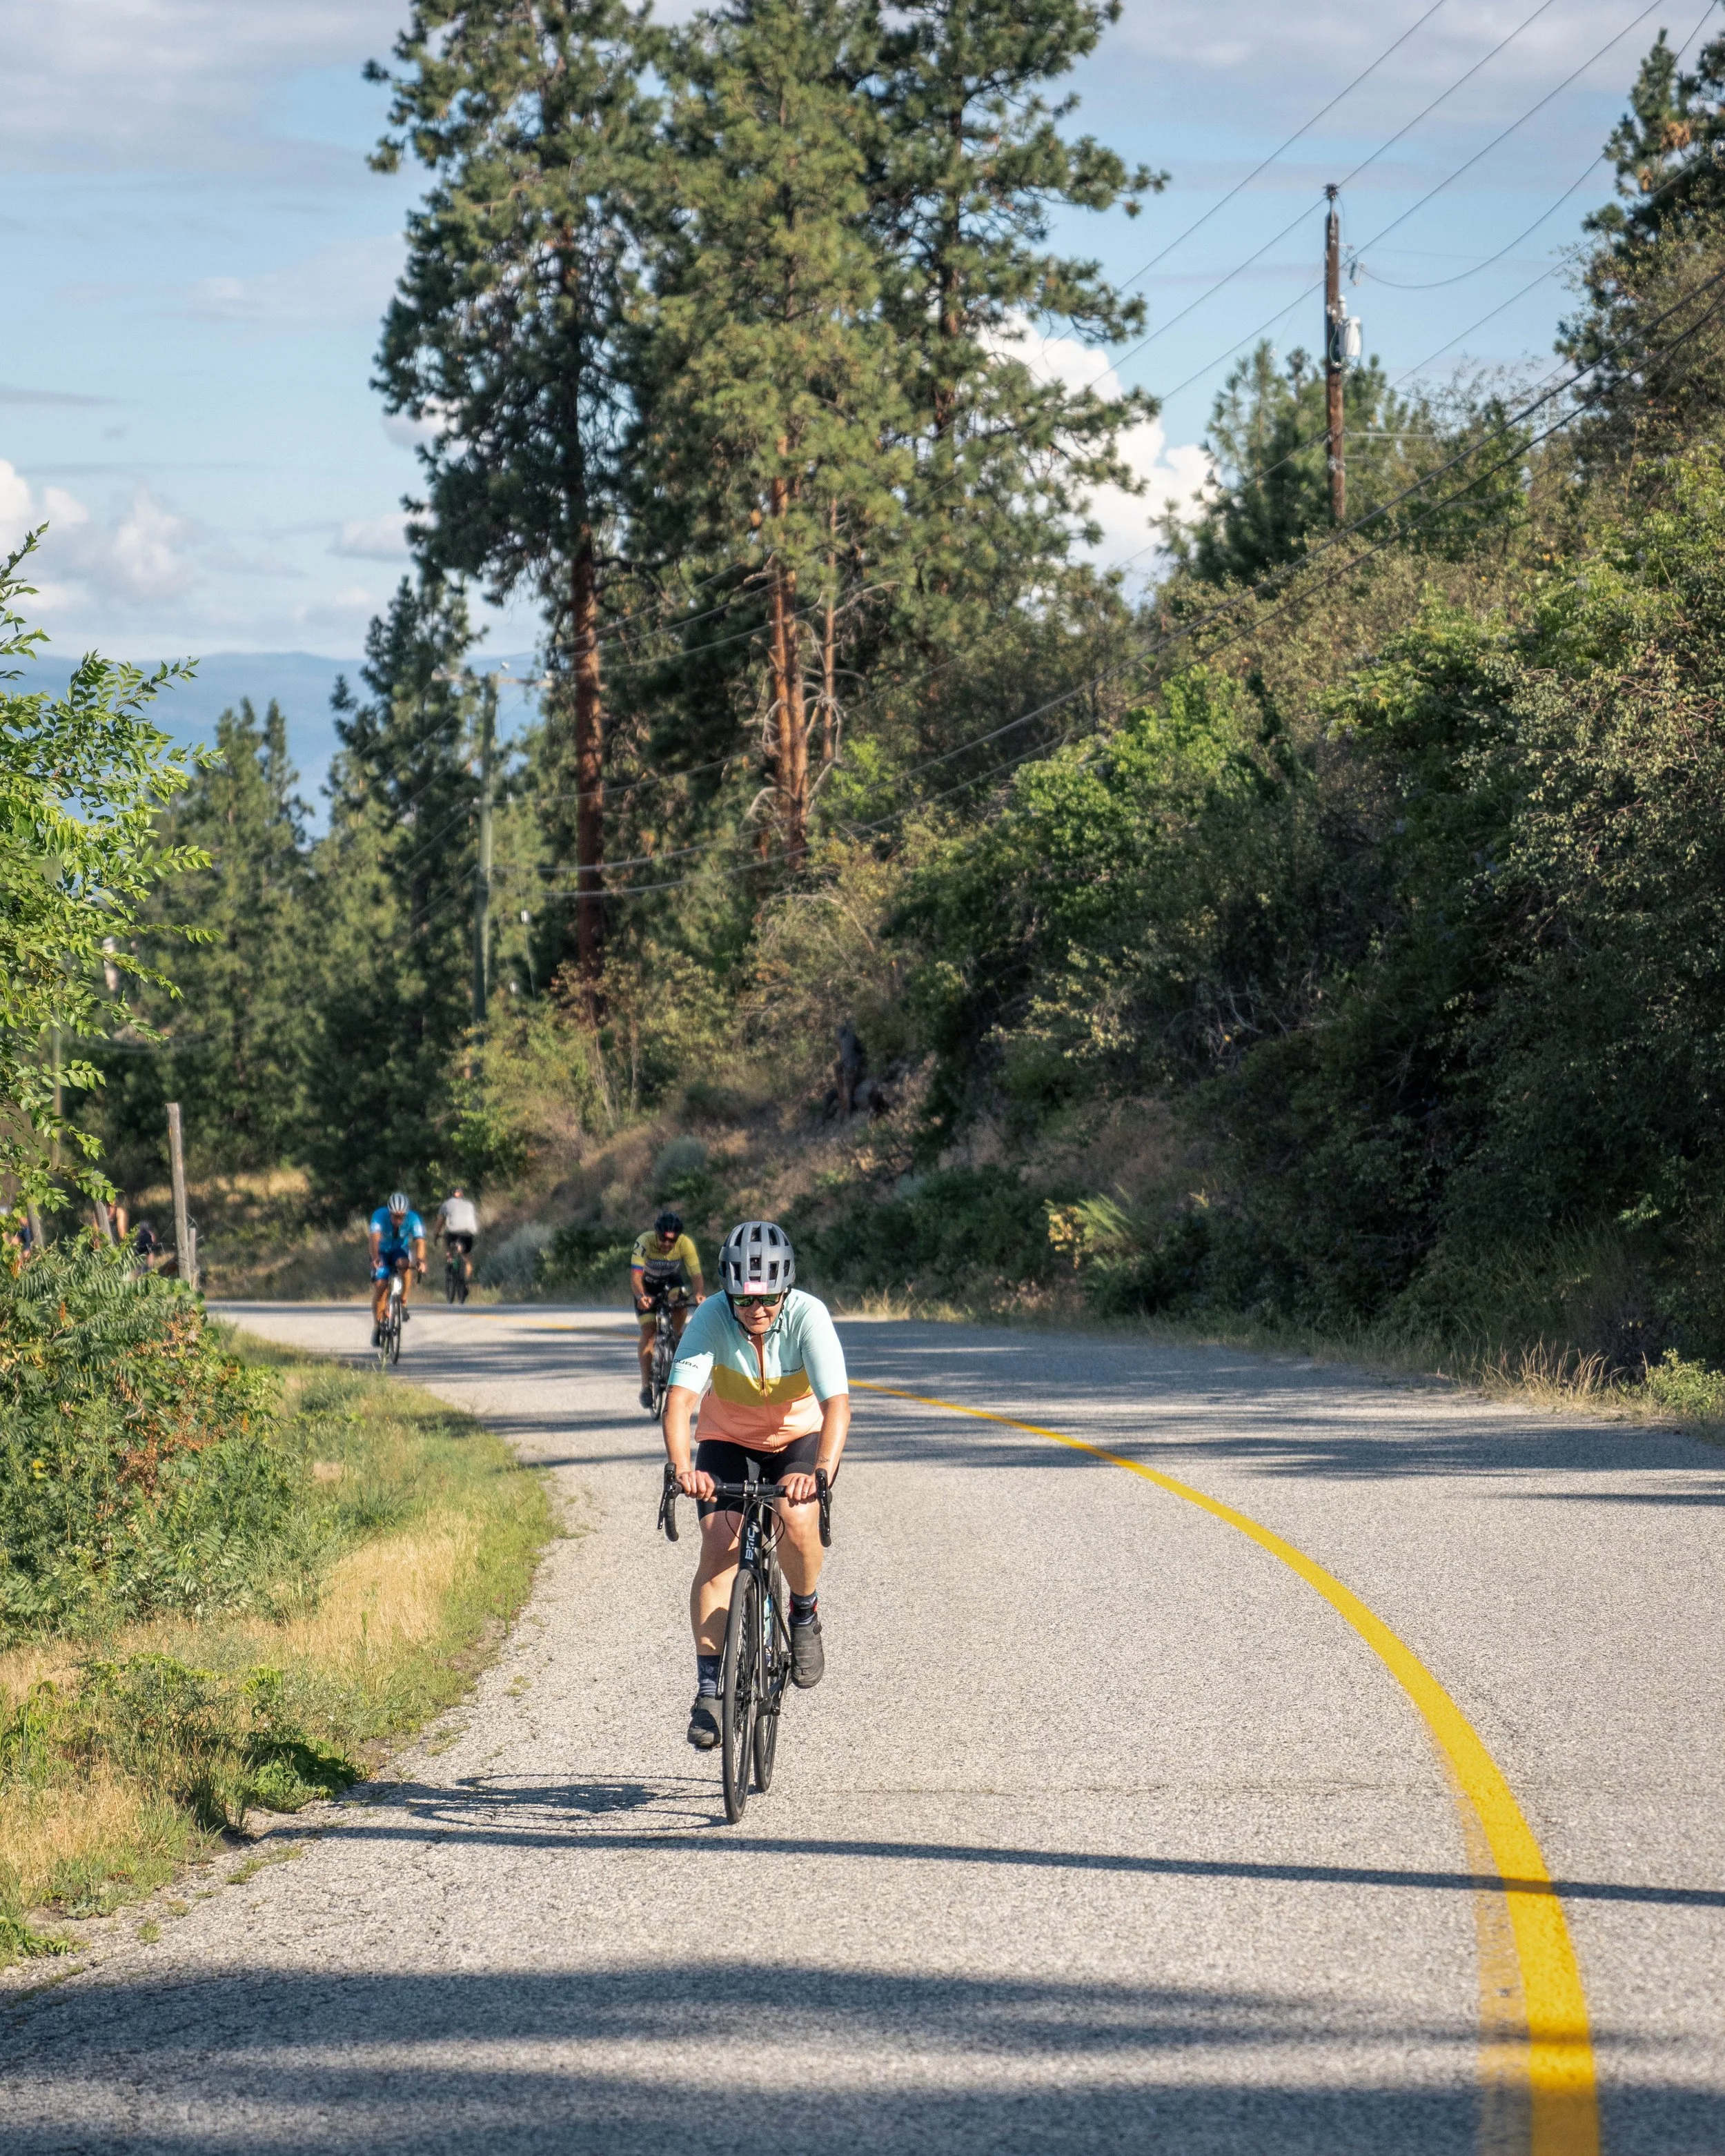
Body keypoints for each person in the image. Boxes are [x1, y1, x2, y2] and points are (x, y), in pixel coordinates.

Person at [661, 1219, 849, 1751]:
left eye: (768, 1297)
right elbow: (679, 1401)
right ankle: (709, 1692)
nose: (757, 1308)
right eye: (744, 1298)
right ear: (728, 1292)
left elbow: (837, 1404)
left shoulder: (809, 1315)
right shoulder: (711, 1317)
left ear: (786, 1289)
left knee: (796, 1516)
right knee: (719, 1542)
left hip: (798, 1439)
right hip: (728, 1439)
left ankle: (804, 1611)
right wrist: (684, 1468)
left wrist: (819, 1472)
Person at [631, 1209, 704, 1412]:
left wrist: (699, 1294)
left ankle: (675, 1337)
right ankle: (646, 1387)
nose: (667, 1244)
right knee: (649, 1332)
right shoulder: (645, 1241)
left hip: (671, 1283)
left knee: (681, 1299)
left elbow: (696, 1274)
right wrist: (641, 1296)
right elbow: (635, 1276)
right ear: (656, 1234)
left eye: (672, 1240)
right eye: (663, 1239)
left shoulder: (685, 1244)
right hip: (647, 1287)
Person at [368, 1190, 426, 1343]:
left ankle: (403, 1301)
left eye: (402, 1217)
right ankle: (378, 1325)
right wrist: (375, 1259)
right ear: (390, 1213)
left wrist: (420, 1261)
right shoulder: (379, 1216)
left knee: (404, 1264)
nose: (399, 1220)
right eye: (395, 1216)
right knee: (380, 1286)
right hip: (381, 1251)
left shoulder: (414, 1219)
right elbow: (374, 1239)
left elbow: (420, 1241)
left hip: (399, 1250)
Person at [435, 1187, 479, 1284]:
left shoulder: (446, 1205)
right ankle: (467, 1282)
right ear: (462, 1195)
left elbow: (439, 1222)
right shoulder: (470, 1204)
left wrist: (436, 1235)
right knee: (467, 1257)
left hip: (452, 1233)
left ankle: (449, 1257)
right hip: (468, 1233)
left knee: (446, 1239)